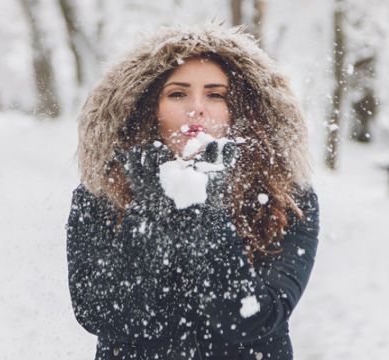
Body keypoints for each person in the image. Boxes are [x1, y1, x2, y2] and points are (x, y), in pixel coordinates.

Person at [66, 25, 320, 359]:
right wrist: (148, 213)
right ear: (147, 107)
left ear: (241, 109)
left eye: (216, 94)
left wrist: (210, 216)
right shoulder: (102, 194)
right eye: (177, 94)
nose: (196, 108)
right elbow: (102, 314)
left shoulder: (287, 199)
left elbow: (252, 319)